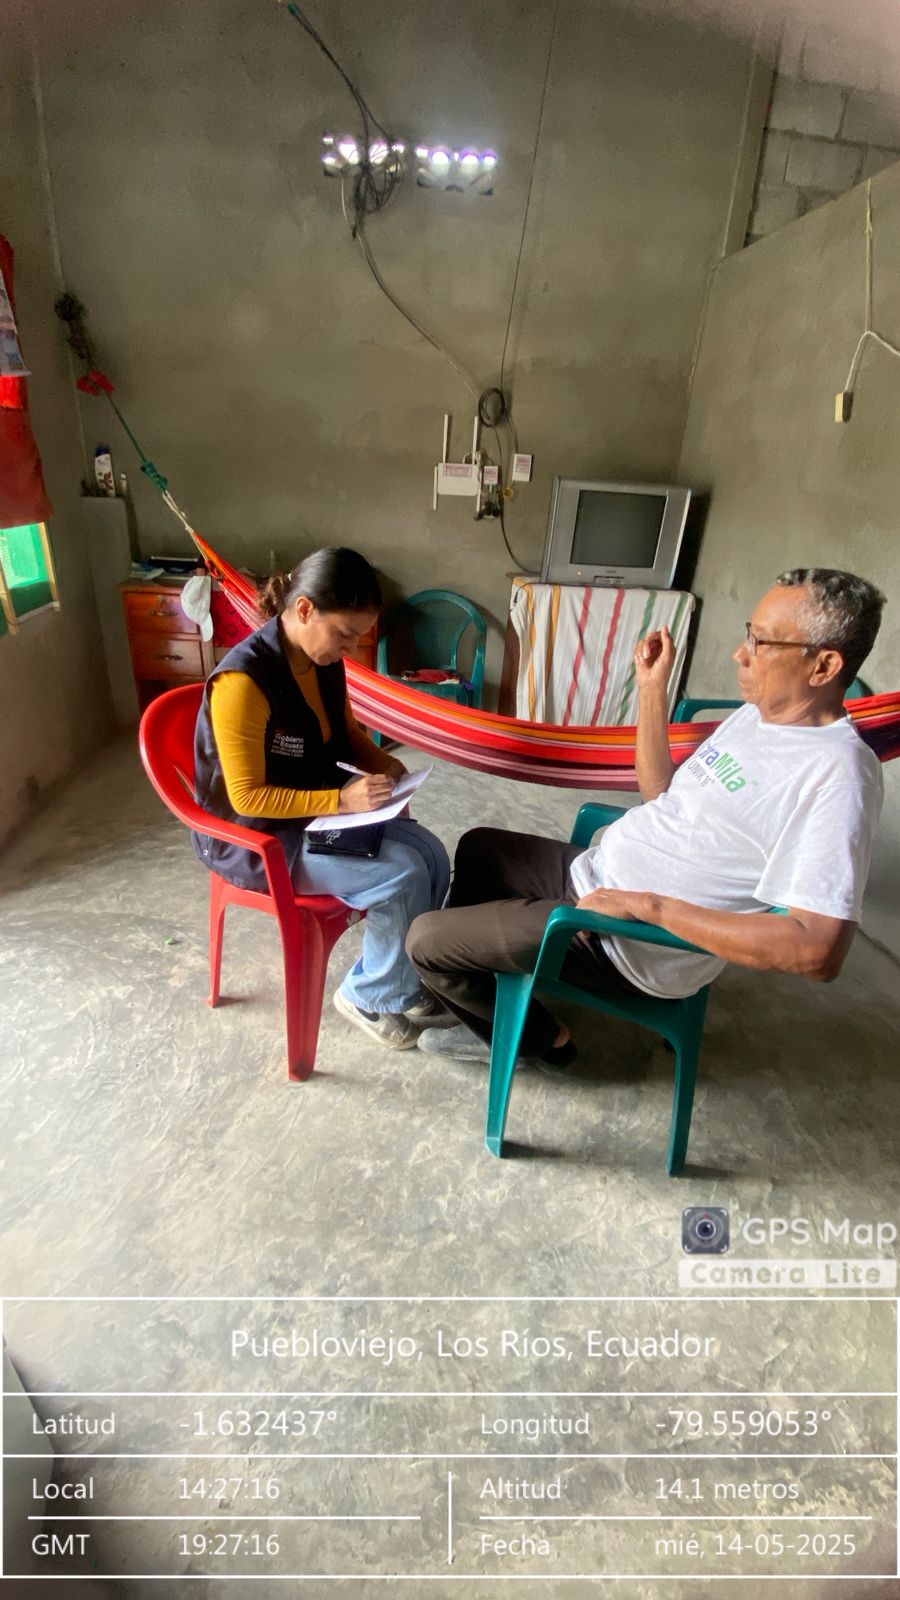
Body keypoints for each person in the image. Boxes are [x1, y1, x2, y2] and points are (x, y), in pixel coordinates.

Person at [407, 568, 886, 1063]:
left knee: (424, 941)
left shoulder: (840, 773)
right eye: (750, 633)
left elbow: (816, 951)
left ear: (824, 666)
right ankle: (487, 997)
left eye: (761, 643)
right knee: (480, 848)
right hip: (599, 880)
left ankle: (539, 1042)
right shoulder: (756, 716)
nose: (740, 654)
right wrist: (651, 690)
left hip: (630, 945)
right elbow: (660, 795)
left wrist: (648, 908)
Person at [192, 546, 451, 1049]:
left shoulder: (321, 660)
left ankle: (400, 978)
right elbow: (246, 798)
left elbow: (346, 735)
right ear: (305, 609)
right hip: (257, 838)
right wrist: (342, 802)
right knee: (401, 873)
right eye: (345, 634)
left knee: (433, 855)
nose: (349, 649)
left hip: (314, 810)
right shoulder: (244, 681)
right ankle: (367, 995)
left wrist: (387, 767)